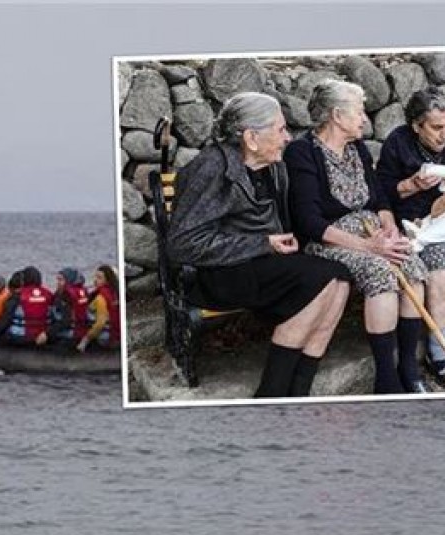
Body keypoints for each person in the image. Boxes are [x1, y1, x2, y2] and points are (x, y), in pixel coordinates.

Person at [168, 91, 351, 398]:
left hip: (261, 263)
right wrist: (262, 242)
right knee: (321, 278)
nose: (288, 137)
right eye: (280, 130)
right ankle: (273, 392)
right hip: (220, 273)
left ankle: (299, 389)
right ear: (251, 137)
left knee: (340, 277)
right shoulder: (211, 168)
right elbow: (182, 244)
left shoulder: (273, 165)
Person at [284, 79, 429, 394]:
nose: (365, 119)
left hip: (371, 233)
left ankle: (408, 367)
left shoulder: (358, 148)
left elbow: (379, 200)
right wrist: (370, 247)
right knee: (380, 272)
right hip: (330, 241)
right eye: (360, 112)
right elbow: (309, 222)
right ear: (337, 116)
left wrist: (389, 230)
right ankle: (386, 378)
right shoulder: (302, 152)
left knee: (412, 266)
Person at [375, 86, 445, 383]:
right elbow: (380, 194)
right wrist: (412, 185)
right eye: (437, 127)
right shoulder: (398, 143)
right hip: (411, 226)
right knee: (440, 269)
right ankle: (438, 349)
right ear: (416, 126)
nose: (444, 134)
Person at [0, 266, 53, 346]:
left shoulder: (18, 296)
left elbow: (6, 320)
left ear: (25, 280)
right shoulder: (49, 294)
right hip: (41, 337)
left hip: (20, 338)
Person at [39, 267, 89, 347]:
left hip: (69, 334)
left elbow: (66, 321)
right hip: (80, 331)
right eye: (57, 280)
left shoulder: (66, 295)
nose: (58, 283)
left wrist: (47, 334)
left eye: (61, 280)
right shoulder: (81, 291)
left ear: (68, 281)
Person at [78, 265, 120, 352]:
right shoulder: (114, 293)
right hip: (115, 331)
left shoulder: (100, 298)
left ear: (107, 279)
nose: (95, 280)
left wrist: (86, 339)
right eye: (96, 277)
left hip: (106, 334)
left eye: (99, 278)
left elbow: (100, 323)